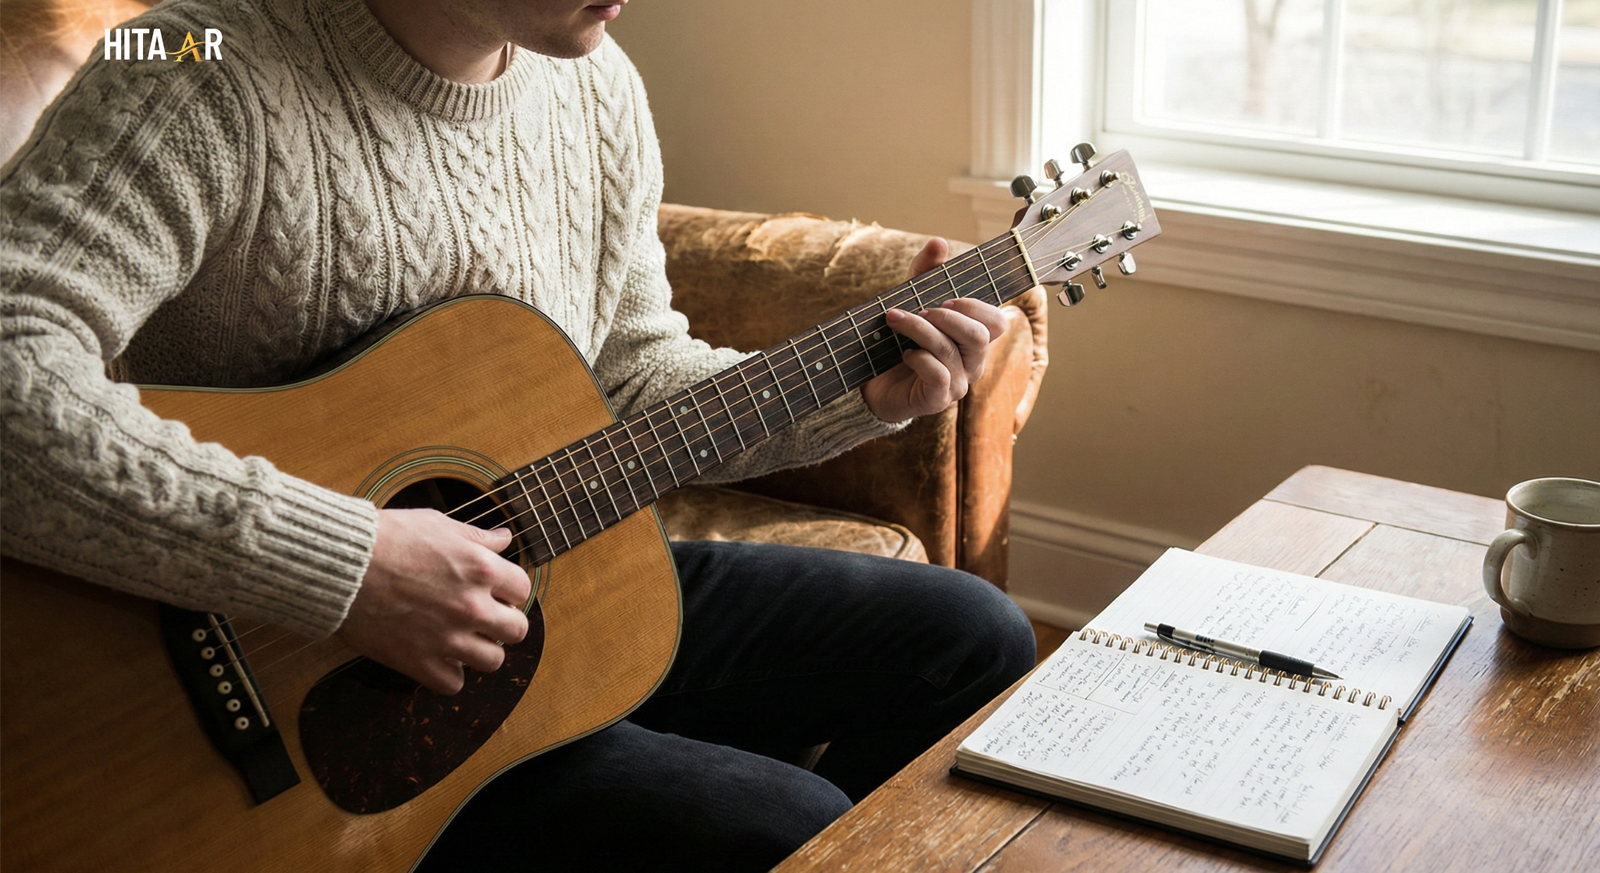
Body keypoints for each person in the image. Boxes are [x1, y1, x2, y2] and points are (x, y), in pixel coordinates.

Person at [0, 0, 1036, 869]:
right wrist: (349, 563)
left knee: (968, 638)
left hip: (554, 590)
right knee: (793, 834)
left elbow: (629, 379)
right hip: (271, 698)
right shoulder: (199, 64)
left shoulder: (595, 87)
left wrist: (865, 395)